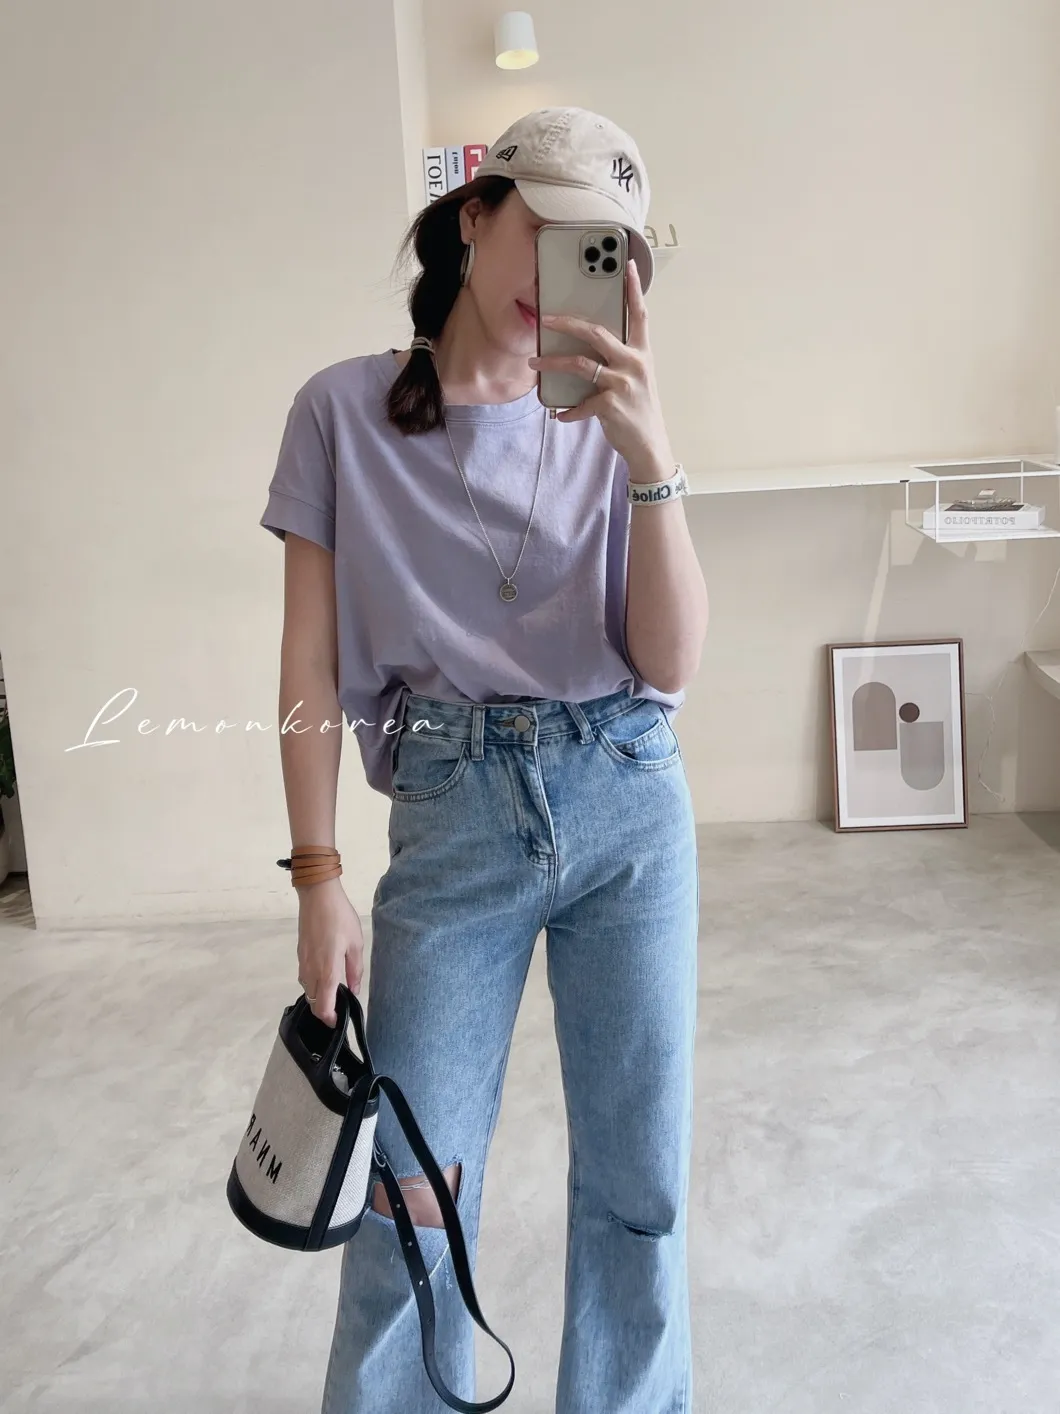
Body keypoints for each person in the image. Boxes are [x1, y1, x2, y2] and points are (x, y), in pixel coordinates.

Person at [260, 105, 709, 1414]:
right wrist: (317, 876)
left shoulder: (616, 417)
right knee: (411, 1183)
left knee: (639, 1186)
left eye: (601, 255)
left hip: (627, 792)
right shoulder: (340, 413)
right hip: (452, 810)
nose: (563, 279)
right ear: (476, 216)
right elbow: (306, 662)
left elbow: (670, 666)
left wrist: (653, 463)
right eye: (550, 235)